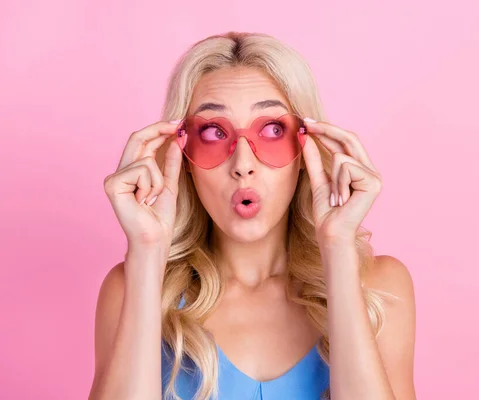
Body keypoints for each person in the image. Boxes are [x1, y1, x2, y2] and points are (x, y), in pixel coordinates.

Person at [89, 31, 416, 400]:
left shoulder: (380, 289)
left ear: (306, 149)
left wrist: (338, 249)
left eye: (273, 130)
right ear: (183, 157)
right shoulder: (131, 289)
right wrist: (147, 254)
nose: (243, 165)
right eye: (214, 132)